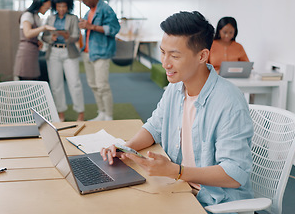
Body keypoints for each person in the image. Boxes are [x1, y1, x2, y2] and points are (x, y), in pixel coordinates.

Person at [101, 11, 254, 207]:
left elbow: (234, 173)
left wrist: (176, 171)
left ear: (202, 56)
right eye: (163, 52)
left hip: (214, 202)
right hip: (178, 186)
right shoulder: (175, 88)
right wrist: (126, 148)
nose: (165, 63)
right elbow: (155, 127)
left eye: (174, 56)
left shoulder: (229, 102)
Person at [77, 0, 120, 121]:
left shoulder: (106, 9)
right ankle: (101, 112)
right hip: (87, 52)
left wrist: (91, 26)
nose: (84, 3)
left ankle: (109, 115)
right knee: (93, 85)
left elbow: (114, 29)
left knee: (102, 86)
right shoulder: (89, 11)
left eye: (84, 1)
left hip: (101, 52)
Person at [42, 0, 85, 122]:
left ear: (68, 7)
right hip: (53, 52)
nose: (61, 9)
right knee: (56, 84)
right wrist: (51, 38)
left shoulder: (73, 18)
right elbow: (44, 36)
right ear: (55, 6)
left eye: (64, 6)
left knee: (75, 83)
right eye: (59, 6)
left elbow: (76, 36)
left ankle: (80, 113)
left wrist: (67, 37)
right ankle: (61, 113)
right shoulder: (50, 18)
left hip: (69, 52)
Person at [14, 0, 55, 80]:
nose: (47, 10)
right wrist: (44, 27)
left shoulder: (36, 16)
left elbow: (33, 34)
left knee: (33, 78)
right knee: (26, 79)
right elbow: (28, 33)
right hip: (26, 51)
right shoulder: (27, 15)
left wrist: (38, 41)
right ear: (39, 5)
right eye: (46, 8)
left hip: (33, 50)